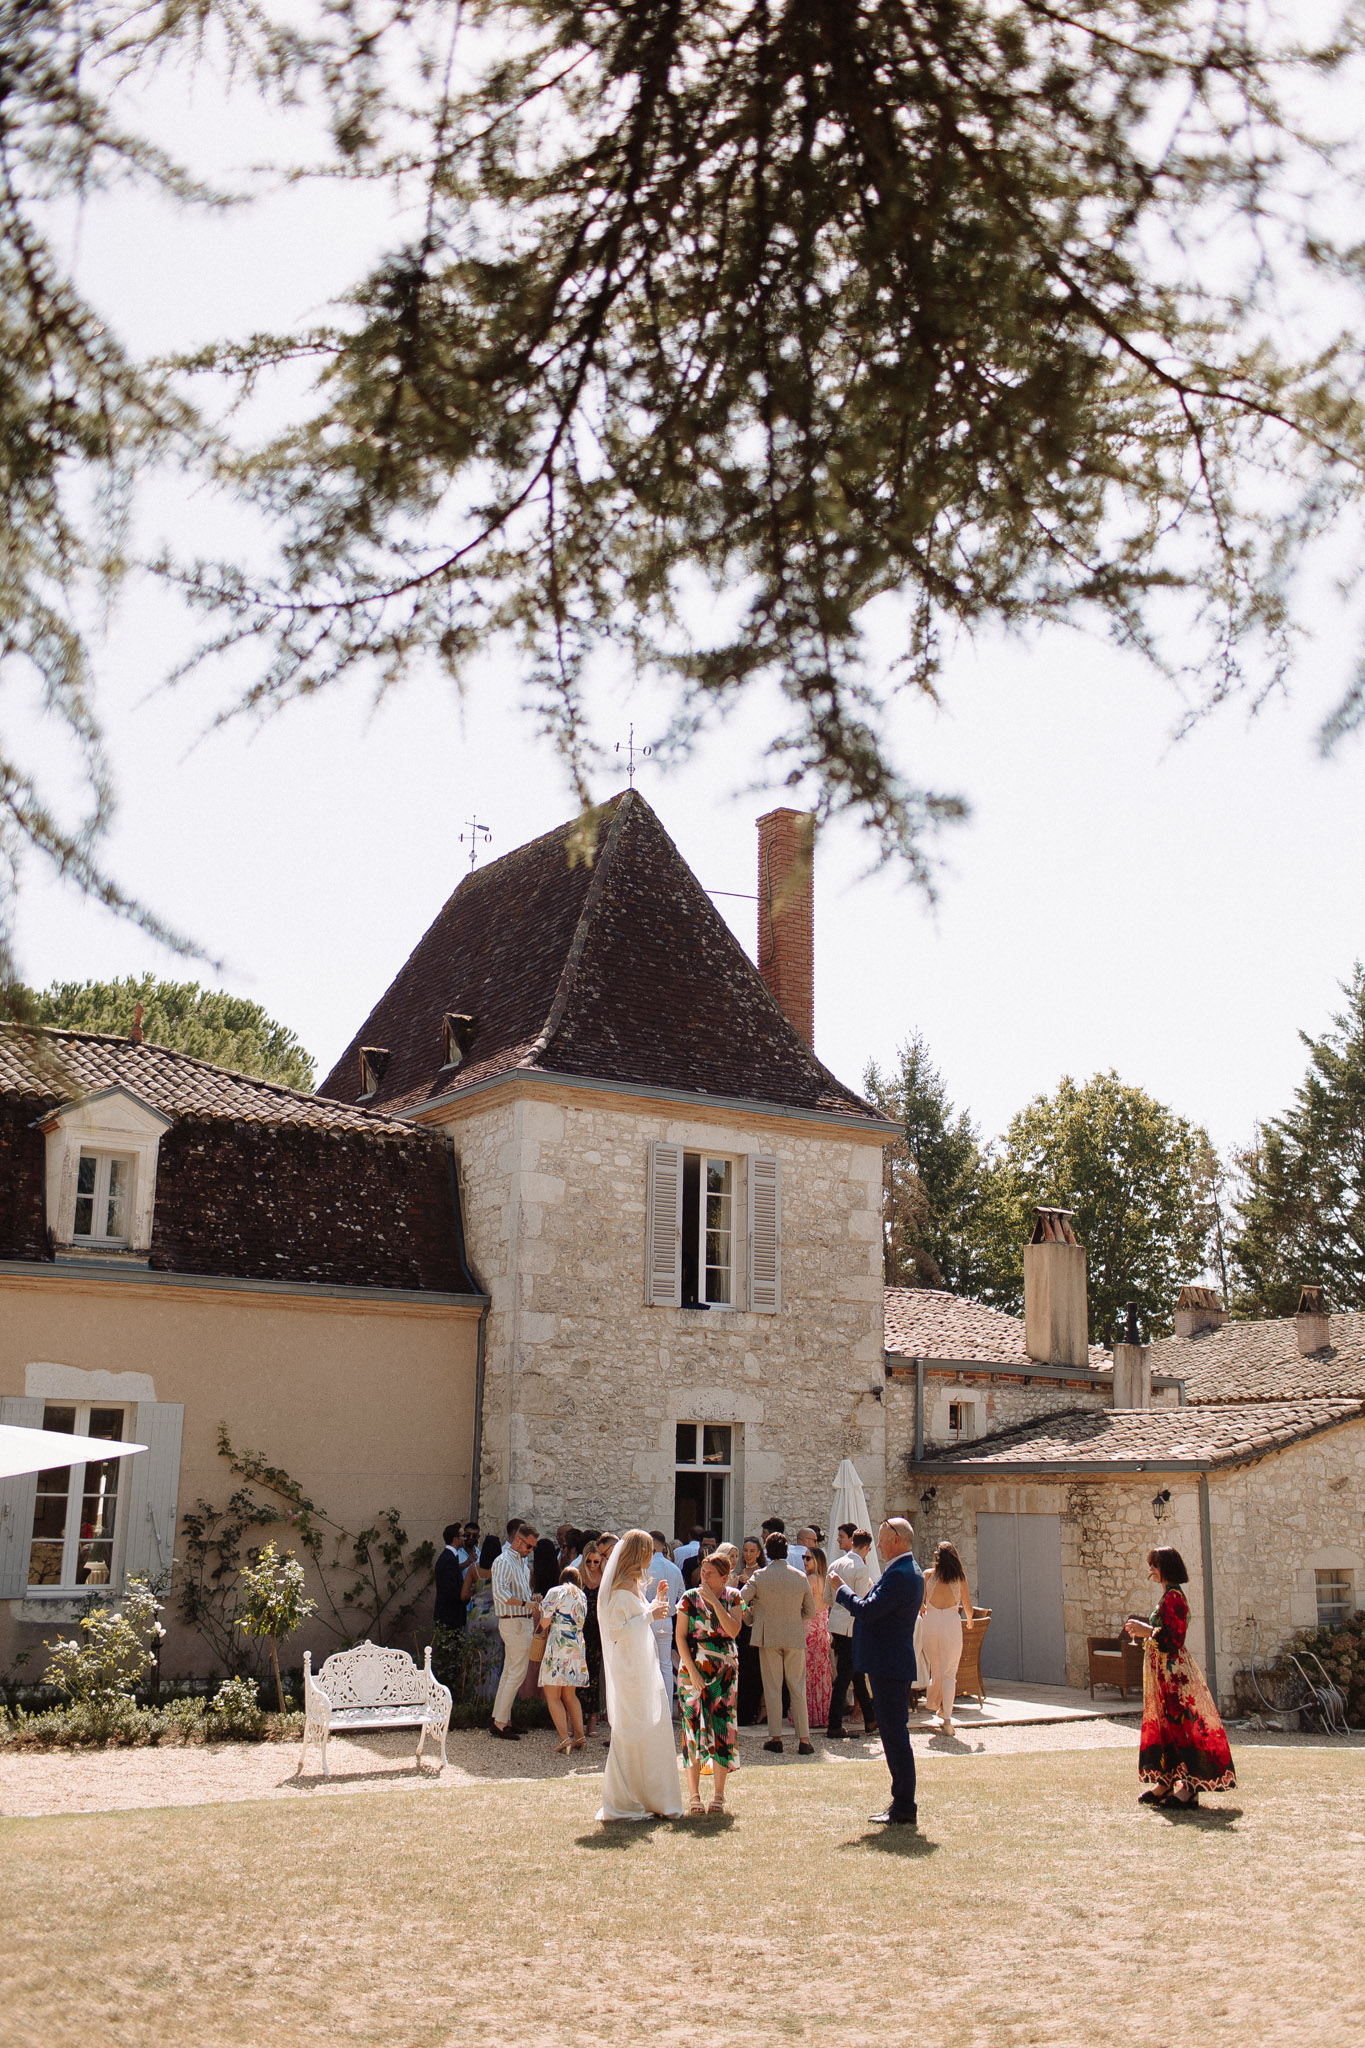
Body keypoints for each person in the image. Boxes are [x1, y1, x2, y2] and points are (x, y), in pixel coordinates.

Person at [1125, 1547, 1236, 1809]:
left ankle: (1189, 1788)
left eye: (1154, 1565)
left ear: (1166, 1568)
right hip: (1161, 1673)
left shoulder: (1175, 1598)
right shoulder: (1167, 1597)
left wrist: (1147, 1630)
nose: (1150, 1570)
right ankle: (1165, 1782)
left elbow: (1173, 1638)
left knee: (1180, 1727)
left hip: (1174, 1675)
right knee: (1164, 1726)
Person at [833, 1517, 925, 1826]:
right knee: (892, 1734)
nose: (879, 1547)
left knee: (895, 1735)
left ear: (897, 1539)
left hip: (890, 1663)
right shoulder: (903, 1571)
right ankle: (901, 1802)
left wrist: (841, 1590)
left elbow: (868, 1610)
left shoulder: (901, 1574)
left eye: (883, 1540)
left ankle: (903, 1806)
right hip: (889, 1661)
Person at [596, 1528, 684, 1821]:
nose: (652, 1557)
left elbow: (638, 1616)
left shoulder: (632, 1584)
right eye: (648, 1552)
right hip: (630, 1667)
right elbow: (616, 1630)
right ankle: (626, 1797)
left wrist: (654, 1603)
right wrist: (650, 1614)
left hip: (643, 1662)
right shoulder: (621, 1586)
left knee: (651, 1725)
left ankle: (651, 1794)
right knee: (634, 1728)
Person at [676, 1542, 744, 1815]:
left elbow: (733, 1630)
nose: (704, 1576)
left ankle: (718, 1794)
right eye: (703, 1571)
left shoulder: (734, 1597)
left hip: (724, 1669)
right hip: (694, 1664)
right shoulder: (689, 1598)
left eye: (710, 1573)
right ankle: (693, 1796)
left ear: (724, 1577)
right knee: (691, 1726)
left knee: (721, 1726)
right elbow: (680, 1635)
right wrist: (691, 1669)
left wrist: (715, 1602)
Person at [741, 1532, 817, 1755]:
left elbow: (739, 1599)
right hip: (793, 1635)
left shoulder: (759, 1576)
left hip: (768, 1636)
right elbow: (810, 1610)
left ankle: (776, 1737)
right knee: (797, 1687)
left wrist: (751, 1619)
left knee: (772, 1687)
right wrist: (792, 1619)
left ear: (766, 1551)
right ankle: (804, 1740)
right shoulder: (799, 1576)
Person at [490, 1521, 541, 1740]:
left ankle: (502, 1719)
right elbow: (500, 1593)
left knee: (511, 1672)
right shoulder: (502, 1561)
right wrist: (526, 1604)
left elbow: (521, 1593)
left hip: (522, 1619)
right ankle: (501, 1723)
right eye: (529, 1546)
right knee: (516, 1673)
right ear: (518, 1541)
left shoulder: (521, 1562)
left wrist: (532, 1599)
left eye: (533, 1547)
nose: (531, 1550)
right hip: (514, 1621)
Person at [826, 1526, 876, 1740]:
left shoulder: (835, 1564)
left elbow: (829, 1598)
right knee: (846, 1675)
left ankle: (871, 1718)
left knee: (856, 1673)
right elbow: (862, 1601)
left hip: (837, 1622)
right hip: (852, 1626)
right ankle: (834, 1724)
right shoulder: (861, 1568)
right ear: (866, 1547)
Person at [920, 1540, 974, 1735]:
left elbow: (921, 1603)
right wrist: (969, 1621)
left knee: (936, 1668)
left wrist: (925, 1610)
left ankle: (936, 1703)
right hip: (951, 1623)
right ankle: (947, 1719)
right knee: (949, 1672)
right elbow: (967, 1605)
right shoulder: (959, 1578)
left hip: (931, 1623)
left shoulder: (928, 1576)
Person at [539, 1564, 589, 1753]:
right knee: (570, 1695)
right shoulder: (581, 1595)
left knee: (552, 1695)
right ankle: (580, 1736)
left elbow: (544, 1622)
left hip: (558, 1644)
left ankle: (564, 1738)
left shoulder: (556, 1591)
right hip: (576, 1645)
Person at [645, 1531, 685, 1714]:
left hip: (649, 1618)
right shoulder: (674, 1568)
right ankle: (667, 1710)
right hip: (667, 1619)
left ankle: (651, 1710)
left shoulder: (646, 1567)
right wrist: (673, 1610)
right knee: (666, 1665)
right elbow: (682, 1596)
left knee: (647, 1664)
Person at [464, 1532, 503, 1701]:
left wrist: (476, 1591)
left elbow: (463, 1595)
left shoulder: (474, 1569)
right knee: (494, 1660)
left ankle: (473, 1697)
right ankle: (491, 1698)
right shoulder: (501, 1570)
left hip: (476, 1616)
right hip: (496, 1617)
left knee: (475, 1658)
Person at [734, 1536, 766, 1725]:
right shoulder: (739, 1572)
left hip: (754, 1623)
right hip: (740, 1624)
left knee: (753, 1668)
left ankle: (751, 1711)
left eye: (752, 1551)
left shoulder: (761, 1573)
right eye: (745, 1550)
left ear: (759, 1553)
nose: (748, 1554)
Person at [802, 1546, 834, 1731]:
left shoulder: (811, 1579)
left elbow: (804, 1605)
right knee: (821, 1672)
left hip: (809, 1628)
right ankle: (821, 1713)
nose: (805, 1562)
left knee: (807, 1672)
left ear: (817, 1561)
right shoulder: (825, 1580)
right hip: (823, 1628)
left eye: (808, 1558)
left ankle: (809, 1714)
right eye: (804, 1558)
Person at [578, 1534, 606, 1736]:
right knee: (578, 1673)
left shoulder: (605, 1578)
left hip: (597, 1631)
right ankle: (577, 1716)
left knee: (594, 1675)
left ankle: (593, 1719)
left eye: (597, 1561)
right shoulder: (578, 1577)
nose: (593, 1565)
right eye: (589, 1561)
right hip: (579, 1631)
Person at [433, 1522, 468, 1634]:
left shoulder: (451, 1557)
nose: (465, 1539)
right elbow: (450, 1588)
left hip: (451, 1615)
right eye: (463, 1536)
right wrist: (465, 1595)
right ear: (455, 1539)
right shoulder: (448, 1559)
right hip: (449, 1615)